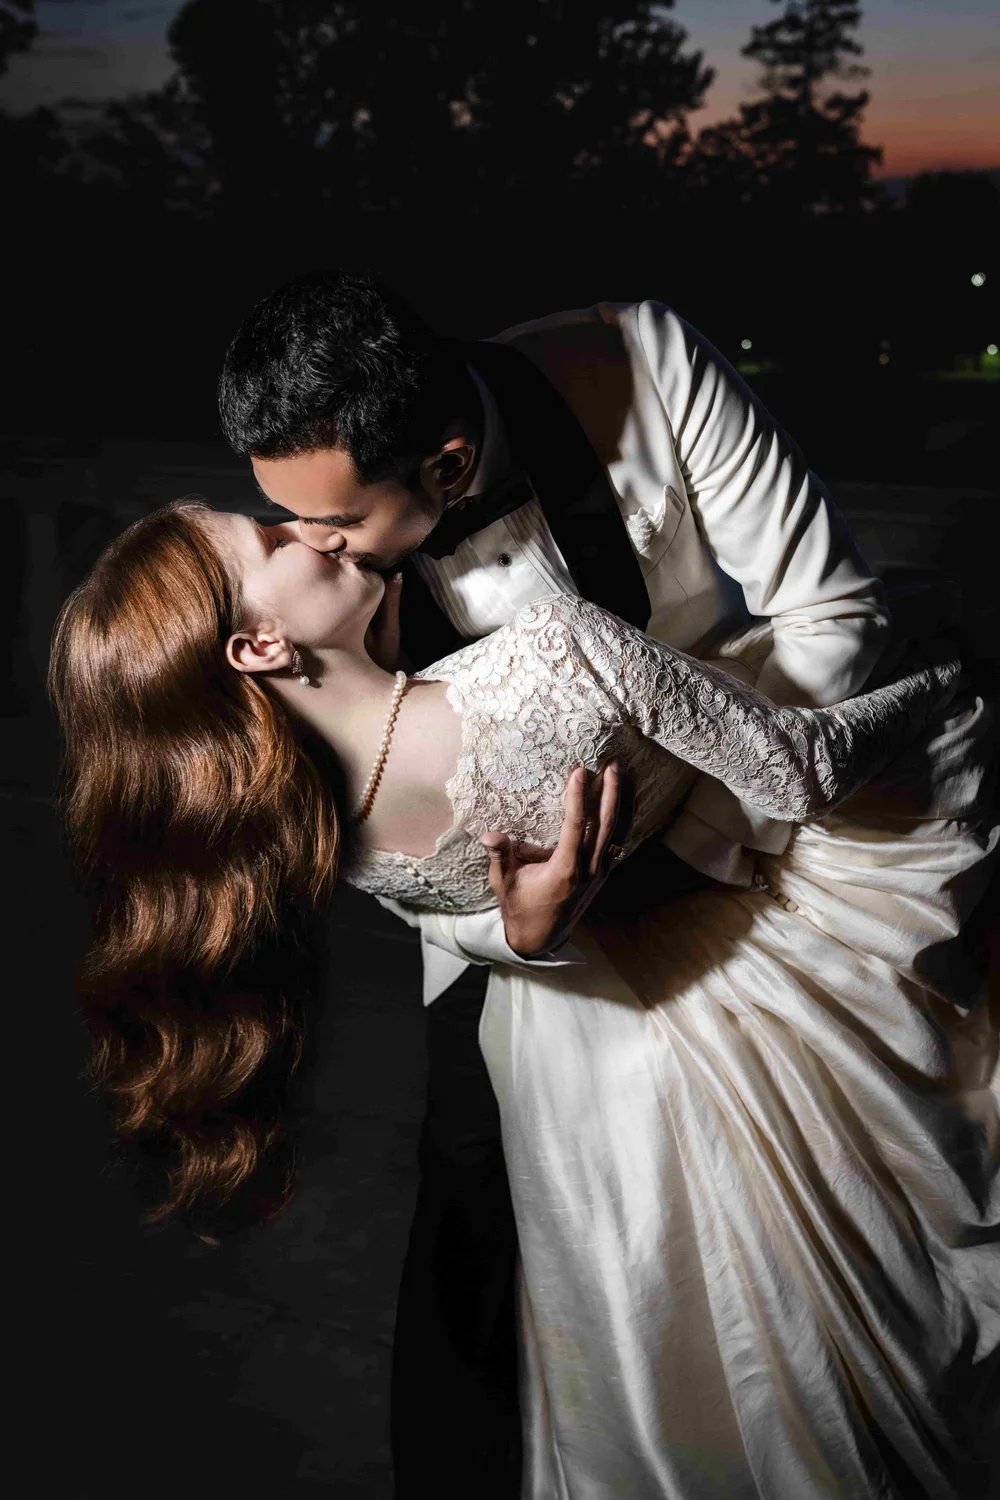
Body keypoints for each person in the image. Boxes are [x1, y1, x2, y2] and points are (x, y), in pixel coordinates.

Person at [50, 500, 998, 1499]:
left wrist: (514, 932)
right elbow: (797, 771)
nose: (316, 529)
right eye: (275, 541)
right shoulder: (554, 648)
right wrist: (942, 675)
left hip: (589, 1081)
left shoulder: (304, 819)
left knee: (685, 1361)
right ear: (258, 643)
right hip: (724, 978)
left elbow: (445, 900)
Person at [215, 269, 903, 1492]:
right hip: (504, 933)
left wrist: (680, 859)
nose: (303, 546)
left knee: (794, 1238)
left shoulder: (645, 364)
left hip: (752, 842)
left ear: (443, 463)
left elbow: (832, 618)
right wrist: (515, 931)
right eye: (286, 522)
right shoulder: (320, 566)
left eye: (331, 525)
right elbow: (372, 816)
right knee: (475, 1229)